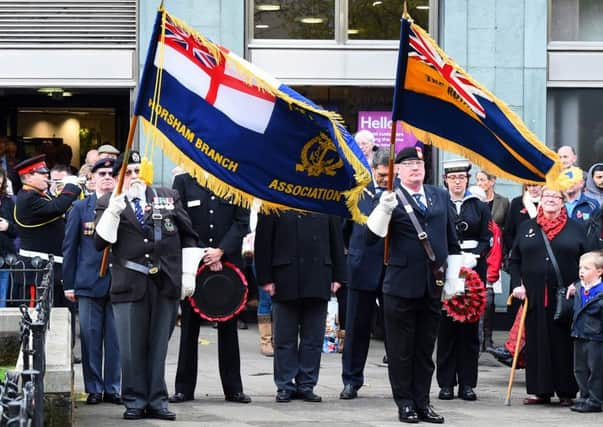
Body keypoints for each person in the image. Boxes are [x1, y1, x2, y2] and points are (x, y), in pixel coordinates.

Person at [94, 151, 201, 421]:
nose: (134, 177)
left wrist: (188, 274)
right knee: (131, 348)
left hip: (164, 282)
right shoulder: (109, 201)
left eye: (138, 170)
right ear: (119, 176)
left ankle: (157, 400)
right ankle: (134, 399)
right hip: (129, 284)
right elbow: (100, 242)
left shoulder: (166, 195)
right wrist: (113, 212)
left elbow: (188, 236)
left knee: (159, 346)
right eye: (128, 172)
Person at [365, 146, 460, 424]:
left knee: (424, 350)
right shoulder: (391, 197)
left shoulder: (439, 195)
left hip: (432, 285)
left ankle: (423, 403)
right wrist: (384, 209)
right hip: (400, 286)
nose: (415, 168)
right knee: (400, 350)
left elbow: (451, 241)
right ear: (399, 171)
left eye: (419, 164)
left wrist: (455, 281)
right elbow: (372, 237)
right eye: (408, 165)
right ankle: (404, 403)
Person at [170, 173, 251, 404]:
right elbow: (179, 221)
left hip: (227, 267)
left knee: (228, 329)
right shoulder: (184, 181)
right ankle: (183, 388)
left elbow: (242, 221)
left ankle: (233, 388)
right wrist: (204, 253)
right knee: (189, 329)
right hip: (194, 264)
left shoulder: (235, 179)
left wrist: (221, 251)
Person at [254, 211, 346, 403]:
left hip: (319, 274)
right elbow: (263, 242)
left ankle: (306, 384)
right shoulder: (275, 196)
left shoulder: (323, 197)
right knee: (284, 337)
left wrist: (339, 275)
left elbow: (336, 239)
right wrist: (265, 278)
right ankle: (285, 384)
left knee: (312, 337)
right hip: (285, 275)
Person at [509, 185, 587, 406]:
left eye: (556, 196)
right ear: (540, 200)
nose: (551, 199)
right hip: (533, 295)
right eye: (547, 196)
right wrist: (517, 284)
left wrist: (580, 283)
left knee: (564, 342)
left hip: (566, 296)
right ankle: (538, 390)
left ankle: (566, 391)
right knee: (536, 341)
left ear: (563, 202)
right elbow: (514, 260)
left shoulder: (576, 228)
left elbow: (589, 258)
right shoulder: (527, 227)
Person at [62, 158, 121, 405]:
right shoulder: (80, 208)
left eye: (111, 173)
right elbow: (70, 247)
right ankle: (94, 387)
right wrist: (69, 283)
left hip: (119, 283)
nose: (107, 177)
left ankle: (113, 388)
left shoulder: (124, 206)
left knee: (116, 341)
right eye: (102, 173)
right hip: (88, 283)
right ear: (92, 178)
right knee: (90, 338)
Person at [436, 160, 491, 402]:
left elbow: (487, 237)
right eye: (453, 177)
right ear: (445, 180)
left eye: (461, 177)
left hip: (472, 269)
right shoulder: (439, 203)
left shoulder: (479, 206)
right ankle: (446, 383)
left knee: (469, 331)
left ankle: (468, 384)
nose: (457, 181)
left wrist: (475, 256)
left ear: (467, 180)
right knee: (446, 329)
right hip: (447, 269)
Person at [339, 148, 388, 400]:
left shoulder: (401, 191)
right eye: (381, 175)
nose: (385, 180)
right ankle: (351, 380)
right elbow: (344, 230)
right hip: (361, 267)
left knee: (395, 329)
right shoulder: (358, 190)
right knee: (356, 328)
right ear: (373, 169)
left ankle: (400, 382)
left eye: (389, 175)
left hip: (392, 268)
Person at [13, 154, 81, 306]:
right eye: (42, 173)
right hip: (36, 273)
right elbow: (57, 207)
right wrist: (71, 186)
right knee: (36, 320)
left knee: (60, 318)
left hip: (52, 271)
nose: (46, 175)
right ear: (28, 177)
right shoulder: (28, 199)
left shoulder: (38, 196)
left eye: (46, 172)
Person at [567, 250, 603, 413]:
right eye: (581, 268)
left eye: (587, 268)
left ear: (599, 271)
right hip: (579, 333)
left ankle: (595, 400)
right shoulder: (579, 287)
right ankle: (584, 396)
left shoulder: (600, 291)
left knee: (596, 369)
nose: (582, 271)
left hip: (596, 336)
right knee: (579, 369)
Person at [0, 167, 16, 307]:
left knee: (2, 296)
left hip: (5, 256)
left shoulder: (9, 201)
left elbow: (20, 229)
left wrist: (8, 227)